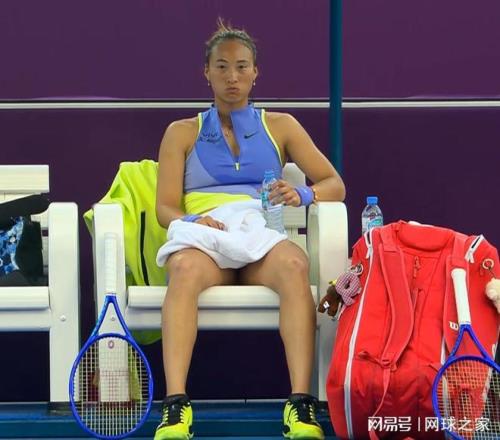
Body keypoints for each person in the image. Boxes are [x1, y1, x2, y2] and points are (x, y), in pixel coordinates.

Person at [154, 19, 345, 440]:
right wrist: (193, 221)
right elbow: (165, 208)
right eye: (221, 67)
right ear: (206, 72)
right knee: (183, 269)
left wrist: (303, 194)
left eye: (241, 67)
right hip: (208, 240)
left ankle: (301, 404)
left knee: (294, 265)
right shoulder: (180, 132)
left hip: (259, 236)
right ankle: (176, 406)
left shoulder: (282, 126)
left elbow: (334, 184)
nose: (232, 77)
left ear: (256, 72)